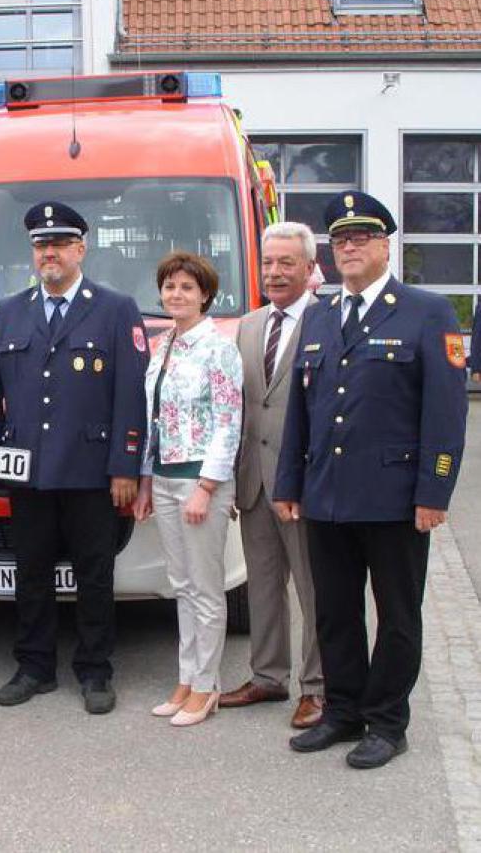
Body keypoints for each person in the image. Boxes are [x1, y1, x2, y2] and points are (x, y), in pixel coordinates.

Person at [274, 191, 467, 769]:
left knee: (397, 616)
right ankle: (343, 711)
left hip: (394, 499)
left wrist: (434, 491)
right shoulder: (320, 314)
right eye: (340, 239)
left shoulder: (426, 312)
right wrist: (289, 483)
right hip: (327, 495)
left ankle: (386, 722)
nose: (349, 247)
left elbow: (445, 413)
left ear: (386, 246)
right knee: (333, 611)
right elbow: (300, 411)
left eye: (361, 237)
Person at [0, 201, 148, 715]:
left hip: (91, 472)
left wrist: (124, 466)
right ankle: (34, 667)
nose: (50, 253)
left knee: (95, 576)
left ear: (81, 249)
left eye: (61, 244)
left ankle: (95, 670)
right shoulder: (9, 311)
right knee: (31, 574)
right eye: (42, 245)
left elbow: (130, 395)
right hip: (27, 473)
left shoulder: (115, 309)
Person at [220, 223, 324, 729]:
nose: (275, 272)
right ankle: (267, 676)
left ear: (309, 267)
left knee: (314, 588)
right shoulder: (248, 325)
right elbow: (242, 405)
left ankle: (318, 688)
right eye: (268, 262)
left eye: (287, 262)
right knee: (262, 584)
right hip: (254, 481)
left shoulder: (328, 320)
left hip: (303, 483)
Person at [132, 251, 242, 727]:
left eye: (186, 288)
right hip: (164, 478)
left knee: (205, 589)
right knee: (181, 585)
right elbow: (152, 421)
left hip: (201, 482)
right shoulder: (162, 346)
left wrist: (207, 487)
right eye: (170, 287)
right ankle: (186, 677)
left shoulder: (219, 348)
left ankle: (207, 685)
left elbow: (229, 421)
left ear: (205, 295)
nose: (176, 295)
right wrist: (145, 481)